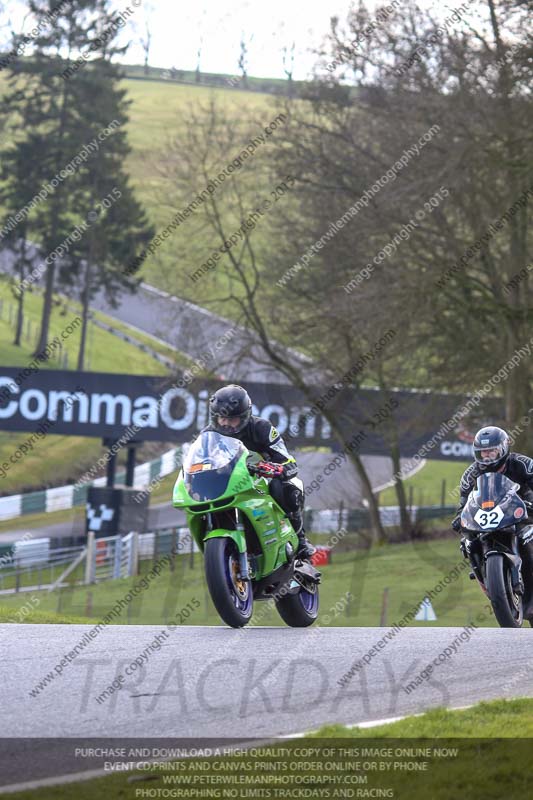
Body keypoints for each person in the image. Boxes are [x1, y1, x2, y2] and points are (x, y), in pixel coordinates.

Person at [206, 384, 316, 559]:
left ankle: (300, 539)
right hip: (226, 482)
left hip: (260, 478)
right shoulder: (208, 435)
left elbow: (285, 458)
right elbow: (198, 460)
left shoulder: (261, 427)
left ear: (244, 416)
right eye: (221, 419)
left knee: (286, 488)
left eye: (232, 419)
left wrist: (278, 468)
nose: (226, 424)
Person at [452, 425, 533, 601]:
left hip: (523, 510)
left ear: (503, 449)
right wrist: (460, 517)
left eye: (492, 451)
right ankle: (486, 580)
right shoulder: (470, 474)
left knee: (527, 534)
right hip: (488, 516)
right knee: (467, 543)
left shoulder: (523, 464)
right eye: (483, 452)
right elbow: (464, 502)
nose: (487, 456)